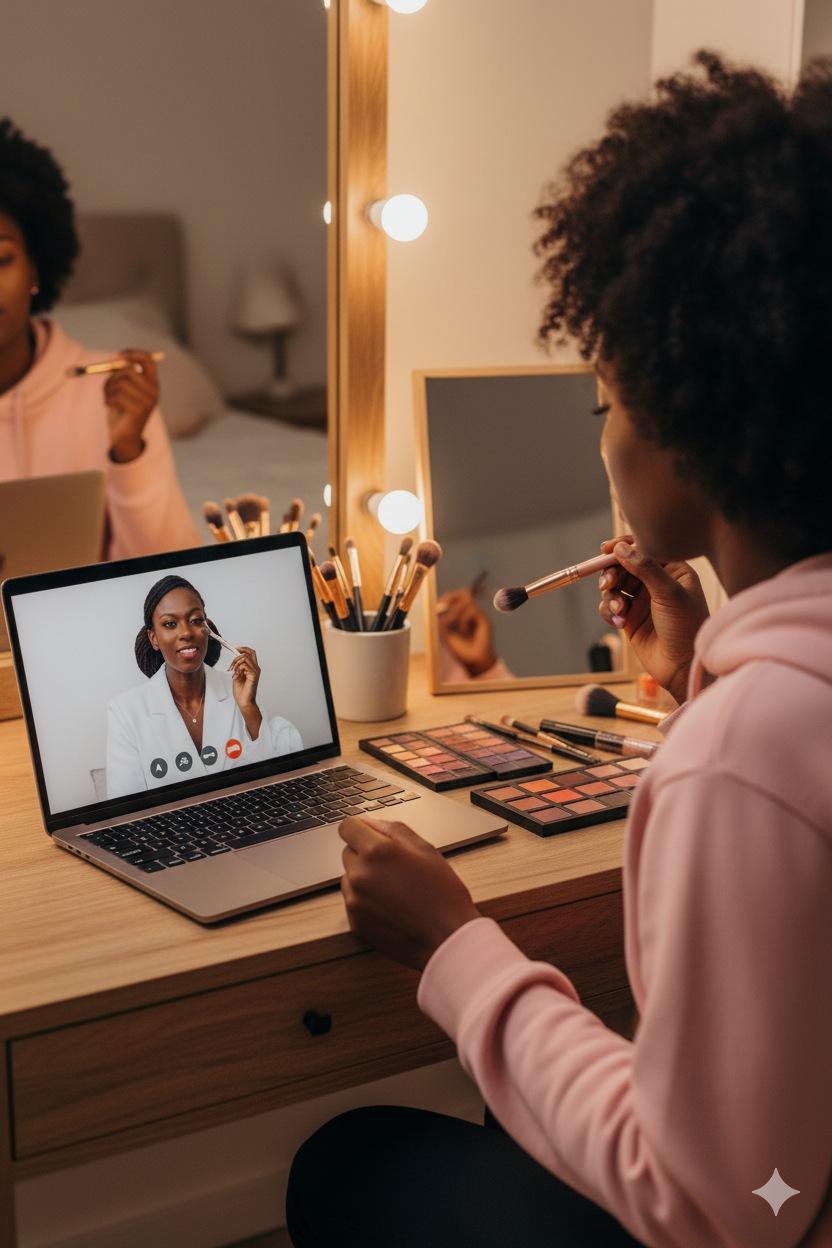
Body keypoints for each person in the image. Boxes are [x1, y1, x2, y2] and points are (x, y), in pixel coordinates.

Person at [286, 52, 832, 1248]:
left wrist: (456, 945)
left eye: (606, 404)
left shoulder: (741, 760)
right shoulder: (760, 719)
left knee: (348, 1162)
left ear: (682, 425)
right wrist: (696, 679)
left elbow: (715, 1207)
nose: (604, 441)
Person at [0, 118, 199, 559]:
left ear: (35, 268)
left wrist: (129, 453)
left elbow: (173, 575)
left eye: (1, 259)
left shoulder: (112, 397)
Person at [106, 574, 302, 798]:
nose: (187, 633)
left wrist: (249, 708)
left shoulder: (238, 689)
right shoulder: (124, 712)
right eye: (170, 624)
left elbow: (272, 788)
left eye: (196, 620)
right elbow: (127, 814)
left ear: (208, 629)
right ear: (154, 639)